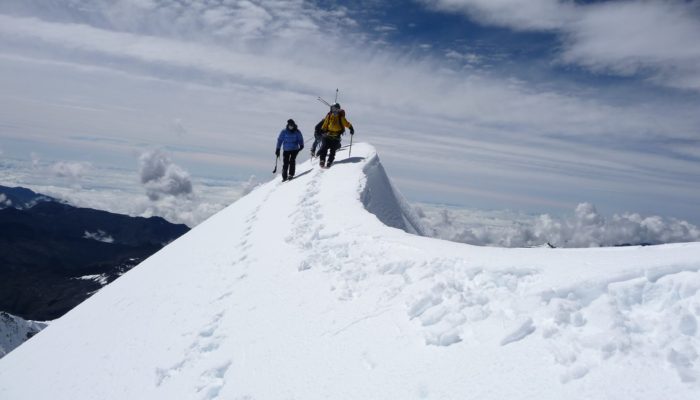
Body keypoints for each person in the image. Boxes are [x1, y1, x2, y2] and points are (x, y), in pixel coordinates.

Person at [317, 103, 354, 168]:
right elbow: (325, 123)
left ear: (338, 109)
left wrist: (351, 128)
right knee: (324, 148)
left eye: (335, 108)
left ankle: (329, 161)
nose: (333, 110)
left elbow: (346, 123)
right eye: (332, 108)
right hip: (327, 135)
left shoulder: (340, 117)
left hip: (336, 136)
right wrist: (322, 130)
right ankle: (322, 160)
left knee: (333, 150)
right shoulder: (329, 115)